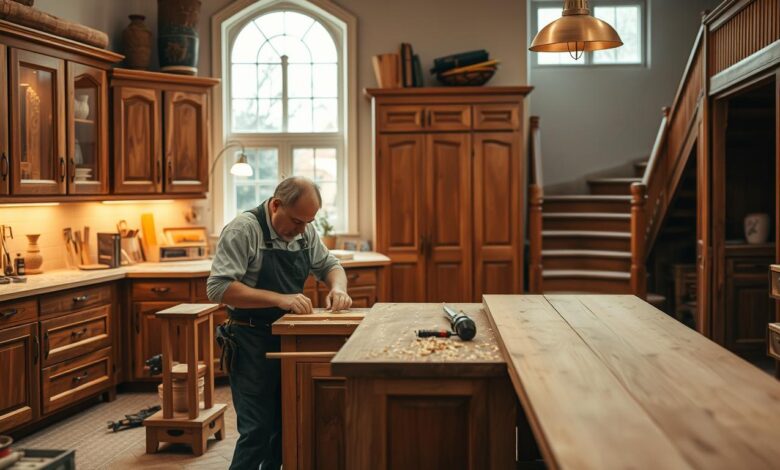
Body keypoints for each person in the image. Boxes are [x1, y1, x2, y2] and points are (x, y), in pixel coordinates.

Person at [207, 176, 352, 470]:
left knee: (286, 427)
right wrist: (279, 298)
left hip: (291, 339)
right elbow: (219, 288)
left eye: (308, 222)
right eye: (298, 221)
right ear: (276, 205)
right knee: (257, 429)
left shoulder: (305, 231)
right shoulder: (243, 230)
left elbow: (330, 266)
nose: (302, 229)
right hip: (249, 339)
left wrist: (338, 288)